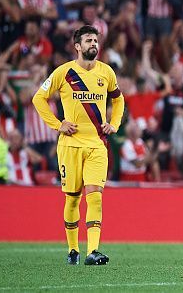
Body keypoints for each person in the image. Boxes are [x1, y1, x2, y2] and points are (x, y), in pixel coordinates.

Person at [32, 25, 124, 266]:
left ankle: (93, 251)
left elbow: (119, 98)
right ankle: (73, 250)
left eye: (95, 40)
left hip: (96, 145)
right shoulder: (64, 72)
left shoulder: (106, 72)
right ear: (77, 46)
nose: (93, 43)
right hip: (70, 146)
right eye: (88, 40)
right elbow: (38, 98)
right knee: (72, 199)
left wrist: (114, 123)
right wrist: (57, 124)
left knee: (95, 197)